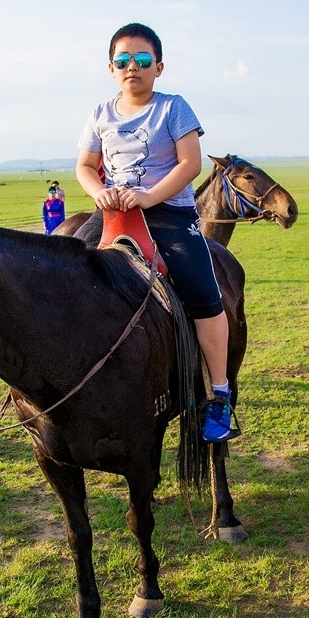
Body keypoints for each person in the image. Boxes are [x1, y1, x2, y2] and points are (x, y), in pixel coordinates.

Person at [75, 22, 239, 442]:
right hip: (113, 213)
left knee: (205, 295)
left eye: (143, 59)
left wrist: (148, 196)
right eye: (123, 60)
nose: (132, 67)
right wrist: (99, 193)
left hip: (168, 213)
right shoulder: (100, 113)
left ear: (158, 67)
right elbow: (85, 166)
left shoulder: (173, 108)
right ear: (111, 68)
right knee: (64, 270)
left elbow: (190, 164)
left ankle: (219, 393)